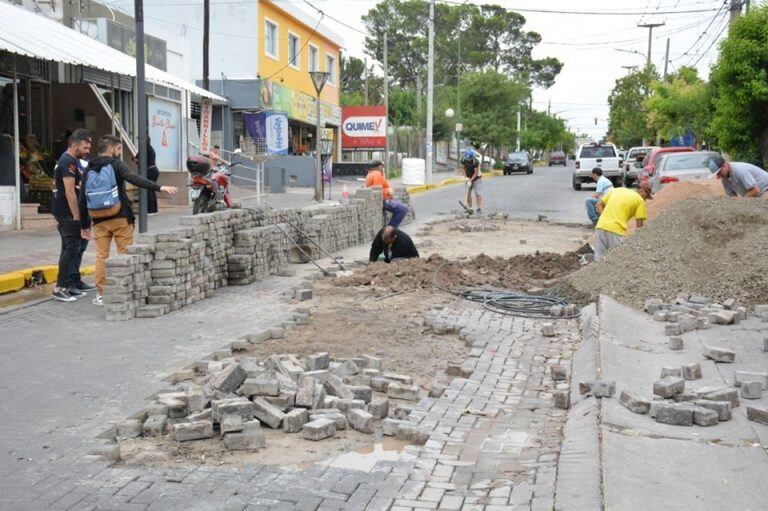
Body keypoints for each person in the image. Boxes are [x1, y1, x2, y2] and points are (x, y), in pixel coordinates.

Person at [79, 135, 177, 306]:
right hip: (120, 217)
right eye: (118, 149)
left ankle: (101, 295)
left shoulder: (89, 168)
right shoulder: (116, 164)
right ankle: (125, 290)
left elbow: (82, 198)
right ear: (111, 149)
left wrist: (84, 224)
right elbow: (134, 178)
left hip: (99, 220)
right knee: (125, 254)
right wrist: (159, 187)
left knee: (101, 256)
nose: (119, 153)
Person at [51, 129, 93, 302]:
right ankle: (60, 287)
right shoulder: (68, 161)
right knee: (70, 250)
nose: (88, 150)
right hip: (68, 214)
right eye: (85, 147)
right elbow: (69, 191)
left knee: (72, 249)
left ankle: (70, 283)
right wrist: (77, 216)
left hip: (66, 213)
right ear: (75, 144)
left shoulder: (71, 160)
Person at [593, 182, 653, 261]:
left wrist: (604, 217)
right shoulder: (639, 200)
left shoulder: (616, 190)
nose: (645, 200)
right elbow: (639, 227)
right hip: (616, 231)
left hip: (600, 226)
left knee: (599, 260)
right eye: (646, 197)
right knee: (619, 260)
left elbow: (598, 204)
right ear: (644, 191)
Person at [365, 160, 410, 228]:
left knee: (400, 206)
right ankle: (390, 228)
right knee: (403, 209)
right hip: (384, 200)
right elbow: (377, 190)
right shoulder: (377, 174)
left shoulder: (370, 174)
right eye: (382, 167)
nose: (383, 169)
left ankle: (392, 227)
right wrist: (388, 191)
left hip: (385, 199)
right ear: (379, 166)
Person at [461, 149, 483, 214]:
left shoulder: (476, 161)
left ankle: (479, 208)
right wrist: (466, 178)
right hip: (468, 178)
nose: (468, 160)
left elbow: (476, 173)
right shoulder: (463, 159)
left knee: (478, 193)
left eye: (469, 159)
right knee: (468, 193)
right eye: (467, 159)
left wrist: (471, 180)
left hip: (477, 178)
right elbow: (463, 168)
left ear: (472, 157)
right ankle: (470, 208)